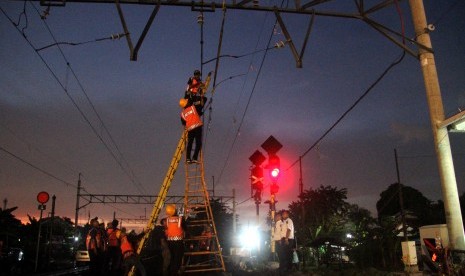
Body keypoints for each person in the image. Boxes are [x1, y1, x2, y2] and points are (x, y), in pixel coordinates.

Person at [180, 98, 205, 163]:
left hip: (190, 129)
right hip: (197, 127)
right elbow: (202, 103)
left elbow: (183, 122)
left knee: (190, 143)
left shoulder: (183, 113)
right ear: (187, 103)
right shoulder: (193, 108)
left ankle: (188, 158)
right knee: (198, 143)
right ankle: (194, 158)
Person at [165, 204, 185, 275]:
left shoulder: (167, 220)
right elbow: (185, 226)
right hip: (178, 242)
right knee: (178, 259)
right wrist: (182, 214)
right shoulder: (179, 219)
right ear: (174, 211)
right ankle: (174, 273)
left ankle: (170, 272)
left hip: (169, 242)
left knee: (173, 258)